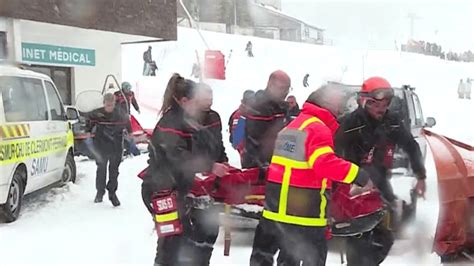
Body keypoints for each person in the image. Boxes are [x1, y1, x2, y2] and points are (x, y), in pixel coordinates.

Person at [250, 84, 371, 266]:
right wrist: (357, 174)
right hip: (304, 215)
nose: (341, 109)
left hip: (278, 212)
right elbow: (324, 163)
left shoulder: (293, 126)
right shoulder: (318, 128)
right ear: (326, 103)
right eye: (338, 104)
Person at [335, 76, 427, 265]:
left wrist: (421, 176)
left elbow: (411, 146)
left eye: (385, 104)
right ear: (364, 102)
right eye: (376, 104)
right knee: (360, 236)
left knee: (386, 236)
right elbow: (334, 154)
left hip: (380, 184)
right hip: (355, 184)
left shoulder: (391, 122)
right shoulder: (350, 124)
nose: (381, 109)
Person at [141, 74, 229, 266]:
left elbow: (210, 148)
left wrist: (222, 165)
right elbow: (178, 157)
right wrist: (210, 166)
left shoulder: (196, 120)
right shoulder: (170, 123)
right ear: (184, 101)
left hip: (188, 189)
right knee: (171, 244)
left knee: (201, 239)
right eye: (197, 101)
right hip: (163, 190)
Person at [189, 83, 229, 265]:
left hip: (214, 179)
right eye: (205, 98)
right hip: (194, 179)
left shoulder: (214, 117)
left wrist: (223, 159)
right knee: (197, 225)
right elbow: (187, 153)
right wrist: (208, 165)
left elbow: (218, 143)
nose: (209, 102)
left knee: (212, 227)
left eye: (211, 98)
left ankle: (204, 260)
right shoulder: (187, 119)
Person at [242, 70, 291, 169]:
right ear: (270, 85)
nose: (285, 93)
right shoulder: (259, 107)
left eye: (287, 89)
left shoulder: (281, 107)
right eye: (282, 88)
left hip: (277, 163)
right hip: (259, 167)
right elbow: (254, 142)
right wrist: (263, 166)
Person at [88, 93, 129, 206]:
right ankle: (100, 193)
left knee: (114, 171)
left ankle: (112, 193)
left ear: (114, 103)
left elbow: (129, 128)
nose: (109, 107)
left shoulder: (121, 114)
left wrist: (131, 136)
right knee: (101, 169)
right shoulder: (97, 113)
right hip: (101, 146)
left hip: (116, 147)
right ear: (104, 103)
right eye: (107, 105)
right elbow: (88, 123)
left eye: (111, 105)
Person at [228, 90, 255, 158]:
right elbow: (237, 138)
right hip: (247, 154)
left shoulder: (254, 112)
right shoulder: (240, 115)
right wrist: (244, 152)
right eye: (250, 101)